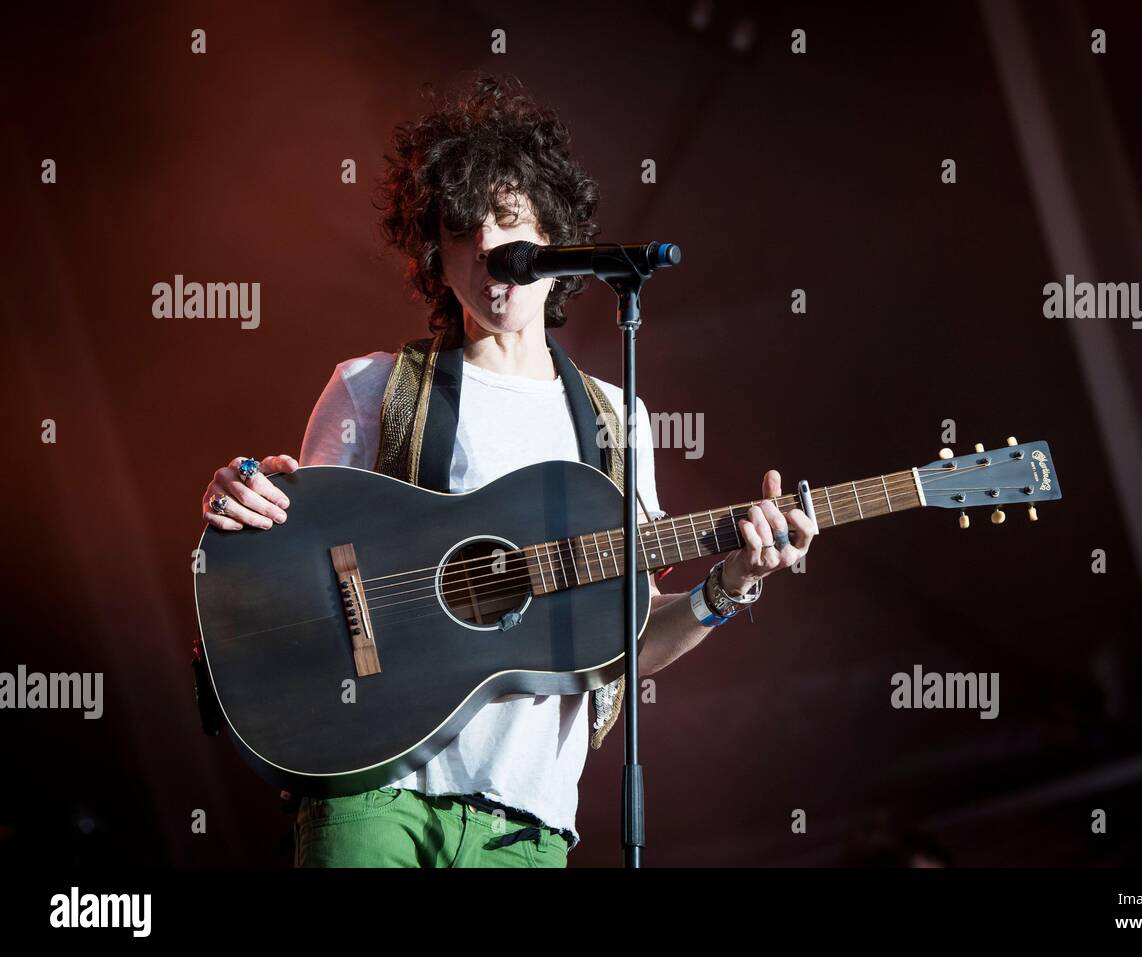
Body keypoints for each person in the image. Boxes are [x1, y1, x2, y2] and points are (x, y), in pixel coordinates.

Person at [199, 74, 816, 867]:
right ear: (437, 255)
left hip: (530, 825)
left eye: (511, 223)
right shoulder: (374, 386)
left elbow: (630, 638)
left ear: (554, 237)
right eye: (463, 229)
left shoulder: (616, 420)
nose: (491, 252)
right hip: (374, 797)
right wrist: (239, 491)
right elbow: (286, 558)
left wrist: (730, 582)